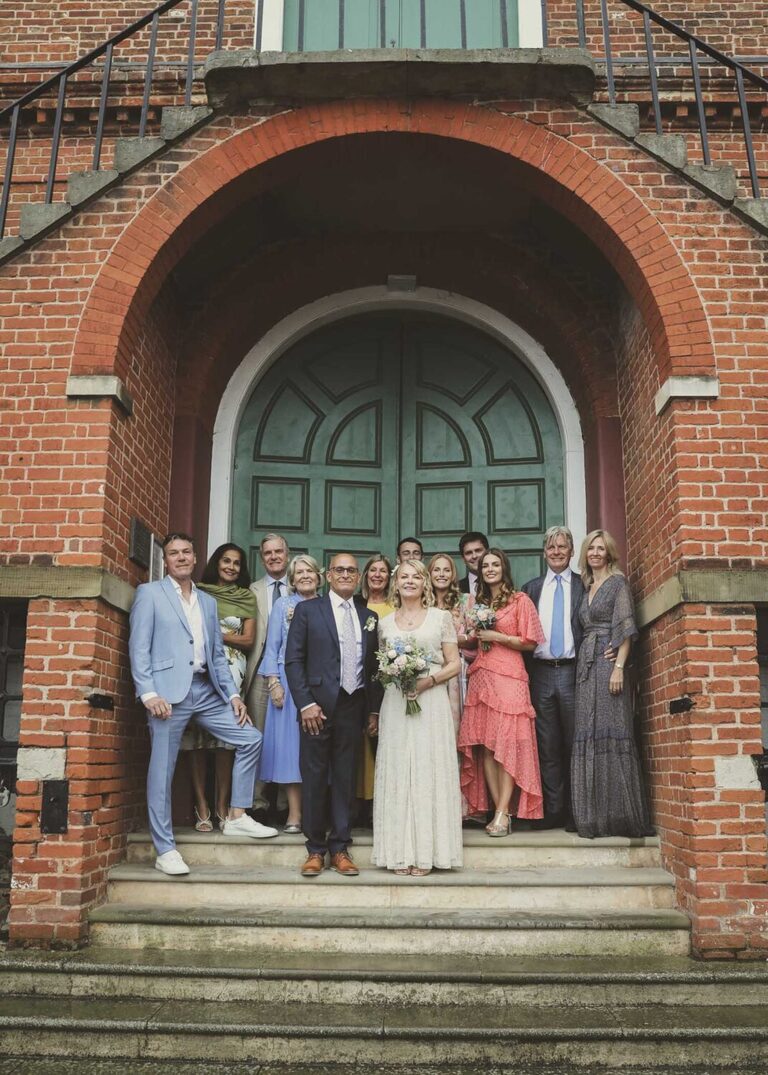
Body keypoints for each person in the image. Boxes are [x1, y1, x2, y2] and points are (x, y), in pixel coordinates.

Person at [128, 532, 277, 876]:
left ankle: (237, 815)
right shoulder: (150, 594)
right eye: (174, 553)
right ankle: (165, 850)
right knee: (162, 771)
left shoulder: (207, 602)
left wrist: (234, 696)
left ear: (196, 558)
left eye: (186, 552)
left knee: (251, 738)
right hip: (167, 695)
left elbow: (217, 657)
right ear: (166, 560)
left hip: (206, 691)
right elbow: (139, 648)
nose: (181, 558)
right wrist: (148, 693)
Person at [285, 552, 383, 877]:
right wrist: (305, 703)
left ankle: (340, 847)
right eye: (339, 570)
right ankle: (315, 849)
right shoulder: (307, 610)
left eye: (351, 571)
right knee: (314, 778)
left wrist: (372, 708)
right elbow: (294, 660)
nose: (345, 575)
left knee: (345, 778)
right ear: (328, 575)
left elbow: (372, 668)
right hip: (316, 707)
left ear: (358, 577)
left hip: (353, 706)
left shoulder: (368, 615)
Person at [371, 560, 463, 876]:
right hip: (396, 702)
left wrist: (428, 681)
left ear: (425, 583)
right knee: (399, 771)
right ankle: (399, 852)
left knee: (427, 769)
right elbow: (382, 666)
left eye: (416, 577)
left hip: (431, 700)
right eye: (403, 577)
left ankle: (427, 852)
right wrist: (395, 673)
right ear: (395, 584)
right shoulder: (385, 623)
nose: (409, 581)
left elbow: (454, 664)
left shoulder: (441, 618)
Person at [571, 530, 653, 838]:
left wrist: (619, 667)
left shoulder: (618, 584)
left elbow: (627, 628)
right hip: (585, 667)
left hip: (608, 665)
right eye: (591, 548)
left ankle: (619, 816)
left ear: (609, 554)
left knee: (612, 730)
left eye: (600, 548)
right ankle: (592, 817)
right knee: (587, 734)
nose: (595, 553)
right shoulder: (587, 586)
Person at [458, 548, 545, 836]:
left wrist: (498, 636)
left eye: (495, 564)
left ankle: (503, 813)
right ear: (479, 571)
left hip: (510, 676)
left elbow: (531, 642)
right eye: (485, 566)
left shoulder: (520, 600)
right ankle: (500, 810)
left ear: (504, 568)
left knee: (507, 744)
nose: (490, 569)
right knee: (487, 747)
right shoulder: (476, 602)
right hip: (481, 677)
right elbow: (471, 642)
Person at [180, 543, 257, 831]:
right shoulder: (198, 592)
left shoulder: (246, 597)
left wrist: (212, 635)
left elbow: (248, 641)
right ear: (216, 562)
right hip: (198, 669)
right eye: (226, 561)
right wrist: (218, 637)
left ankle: (224, 805)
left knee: (228, 740)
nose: (231, 567)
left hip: (232, 672)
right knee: (196, 738)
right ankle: (202, 804)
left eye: (237, 563)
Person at [521, 526, 585, 831]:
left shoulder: (584, 585)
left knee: (575, 743)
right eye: (551, 547)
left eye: (562, 547)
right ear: (544, 552)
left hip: (574, 671)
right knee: (546, 746)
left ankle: (577, 811)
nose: (557, 552)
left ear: (572, 551)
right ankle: (553, 810)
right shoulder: (531, 589)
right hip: (542, 673)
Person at [259, 554, 322, 834]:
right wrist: (274, 683)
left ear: (319, 576)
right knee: (289, 751)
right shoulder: (283, 605)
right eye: (299, 572)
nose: (305, 576)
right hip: (287, 680)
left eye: (310, 571)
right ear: (292, 580)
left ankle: (317, 814)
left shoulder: (327, 605)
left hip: (320, 682)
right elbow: (272, 647)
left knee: (317, 749)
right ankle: (295, 815)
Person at [243, 533, 290, 816]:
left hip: (292, 672)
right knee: (257, 735)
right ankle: (257, 802)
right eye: (268, 553)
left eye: (278, 551)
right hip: (260, 670)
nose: (273, 557)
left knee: (288, 737)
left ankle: (286, 804)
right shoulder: (253, 590)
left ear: (287, 554)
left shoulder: (300, 586)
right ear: (262, 558)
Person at [357, 554, 395, 816]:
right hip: (360, 682)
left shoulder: (396, 606)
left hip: (390, 681)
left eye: (383, 571)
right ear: (365, 575)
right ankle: (359, 805)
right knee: (359, 747)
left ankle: (382, 806)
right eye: (373, 570)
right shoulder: (356, 605)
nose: (378, 575)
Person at [458, 531, 489, 595]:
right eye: (469, 553)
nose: (474, 556)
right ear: (463, 559)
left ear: (487, 552)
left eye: (478, 550)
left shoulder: (502, 586)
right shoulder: (456, 588)